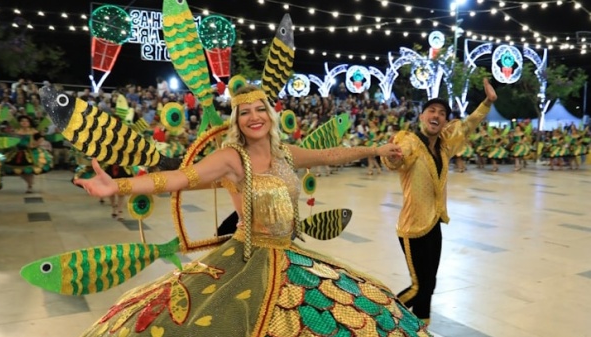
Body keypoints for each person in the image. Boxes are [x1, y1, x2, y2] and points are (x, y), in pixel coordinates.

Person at [75, 85, 431, 336]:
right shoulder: (232, 158)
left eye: (260, 109)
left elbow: (328, 155)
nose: (254, 117)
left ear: (271, 115)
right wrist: (117, 186)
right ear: (237, 121)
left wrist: (374, 150)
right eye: (245, 112)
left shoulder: (284, 154)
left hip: (289, 255)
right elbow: (180, 178)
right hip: (249, 256)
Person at [381, 78, 497, 324]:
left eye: (442, 113)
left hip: (434, 223)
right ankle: (382, 319)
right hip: (412, 227)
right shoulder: (409, 140)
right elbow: (396, 160)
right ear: (422, 116)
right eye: (432, 110)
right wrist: (391, 156)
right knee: (417, 287)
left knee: (429, 286)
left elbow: (467, 125)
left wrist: (487, 102)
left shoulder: (443, 147)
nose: (437, 115)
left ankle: (421, 327)